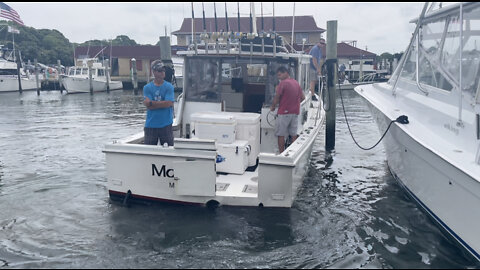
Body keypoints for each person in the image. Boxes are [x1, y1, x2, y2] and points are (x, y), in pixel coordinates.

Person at [270, 66, 305, 154]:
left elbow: (277, 97)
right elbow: (303, 98)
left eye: (280, 75)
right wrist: (294, 103)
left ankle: (281, 153)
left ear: (286, 73)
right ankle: (293, 153)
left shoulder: (283, 83)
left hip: (284, 112)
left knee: (280, 134)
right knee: (293, 134)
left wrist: (273, 106)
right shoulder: (296, 83)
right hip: (295, 112)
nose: (279, 77)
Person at [143, 60, 175, 146]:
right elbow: (148, 106)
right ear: (154, 72)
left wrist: (152, 103)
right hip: (151, 126)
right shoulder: (147, 88)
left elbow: (169, 103)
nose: (162, 73)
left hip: (166, 125)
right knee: (148, 151)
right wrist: (162, 104)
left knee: (169, 150)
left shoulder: (169, 87)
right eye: (160, 70)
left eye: (163, 70)